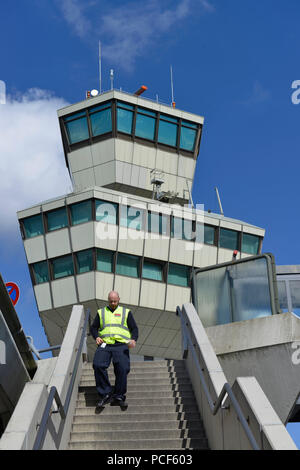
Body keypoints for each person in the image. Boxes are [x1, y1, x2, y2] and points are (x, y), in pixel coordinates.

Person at [90, 290, 138, 411]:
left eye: (115, 301)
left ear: (119, 299)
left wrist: (133, 339)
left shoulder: (126, 312)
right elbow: (94, 328)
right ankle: (105, 393)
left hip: (121, 344)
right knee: (98, 365)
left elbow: (134, 328)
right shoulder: (101, 312)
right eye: (111, 301)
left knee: (122, 368)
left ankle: (119, 396)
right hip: (105, 344)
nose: (113, 303)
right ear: (108, 300)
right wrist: (97, 336)